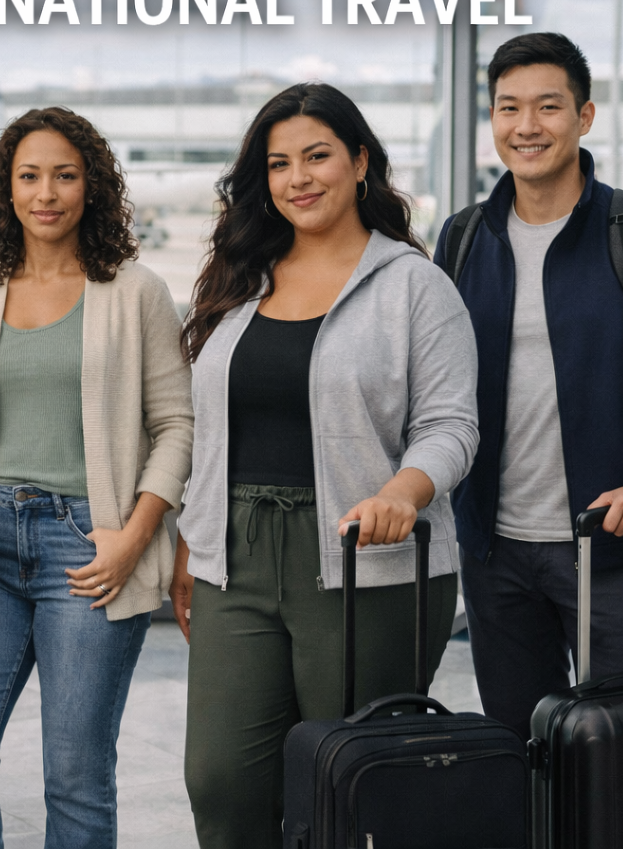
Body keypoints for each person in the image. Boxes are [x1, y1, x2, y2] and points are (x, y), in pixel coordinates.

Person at [172, 82, 479, 849]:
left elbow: (451, 426)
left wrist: (403, 494)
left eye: (317, 156)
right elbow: (208, 425)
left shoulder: (414, 286)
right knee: (219, 780)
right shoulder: (240, 278)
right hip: (234, 557)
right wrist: (192, 538)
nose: (298, 178)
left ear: (361, 163)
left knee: (349, 787)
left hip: (366, 559)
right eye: (279, 164)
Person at [0, 106, 194, 849]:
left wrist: (136, 538)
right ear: (5, 191)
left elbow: (177, 426)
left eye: (65, 176)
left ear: (91, 187)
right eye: (29, 176)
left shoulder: (136, 293)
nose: (47, 193)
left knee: (75, 779)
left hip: (90, 548)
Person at [434, 32, 623, 742]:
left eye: (548, 107)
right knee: (519, 752)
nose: (526, 126)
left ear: (585, 116)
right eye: (508, 108)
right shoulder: (461, 239)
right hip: (495, 552)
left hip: (610, 546)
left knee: (619, 755)